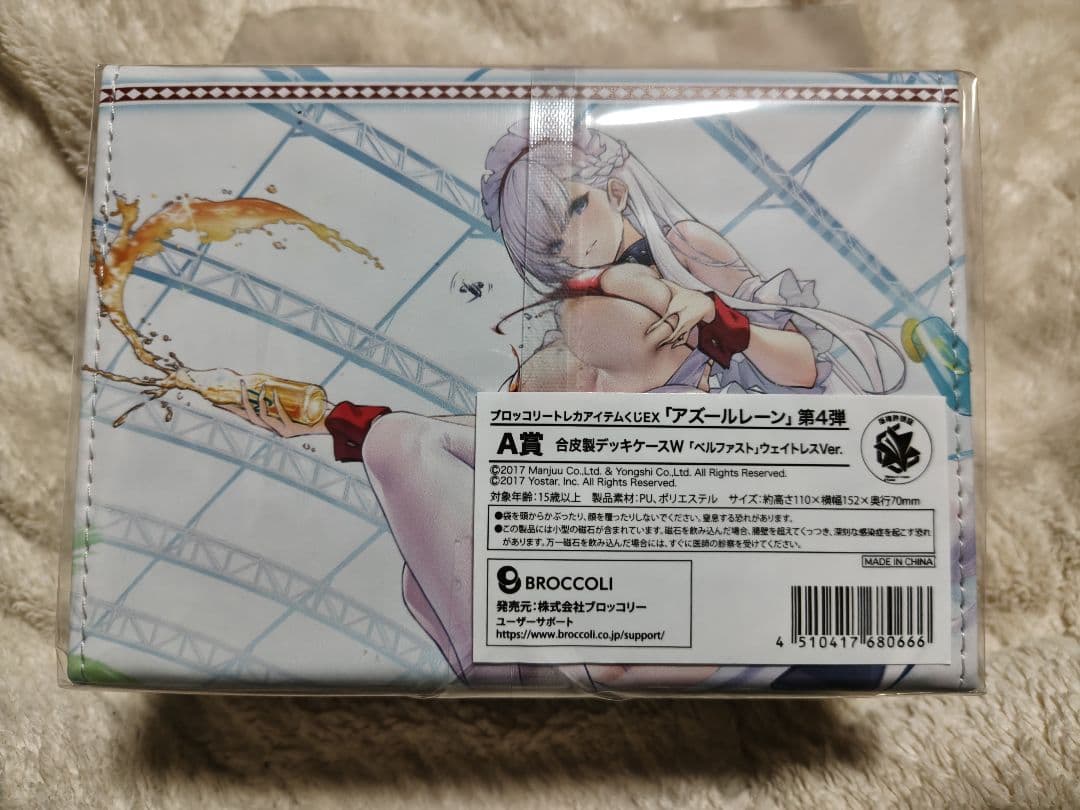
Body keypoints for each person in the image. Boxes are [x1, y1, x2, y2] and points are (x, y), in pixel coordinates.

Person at [225, 119, 904, 691]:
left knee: (597, 638)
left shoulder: (687, 255)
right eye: (550, 242)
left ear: (616, 190)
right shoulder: (574, 329)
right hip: (616, 497)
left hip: (716, 498)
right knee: (408, 495)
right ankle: (507, 677)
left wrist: (720, 322)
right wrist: (335, 425)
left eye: (574, 212)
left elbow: (804, 365)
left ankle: (517, 677)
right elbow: (524, 439)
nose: (570, 247)